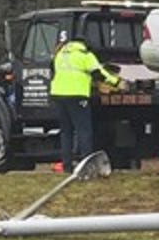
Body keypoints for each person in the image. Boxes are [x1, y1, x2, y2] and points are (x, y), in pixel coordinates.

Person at [50, 30, 128, 172]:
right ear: (85, 44)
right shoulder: (85, 55)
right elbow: (99, 73)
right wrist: (117, 83)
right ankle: (86, 165)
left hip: (58, 96)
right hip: (77, 96)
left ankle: (67, 165)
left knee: (66, 132)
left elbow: (55, 71)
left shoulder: (60, 54)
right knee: (84, 131)